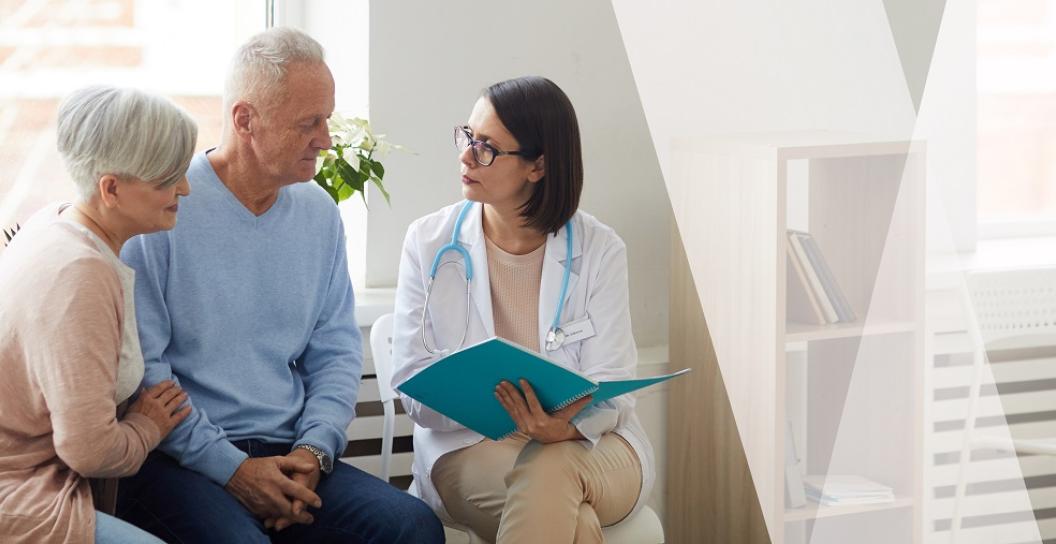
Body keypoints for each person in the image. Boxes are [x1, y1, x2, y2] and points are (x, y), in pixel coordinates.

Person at [115, 27, 443, 543]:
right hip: (181, 460)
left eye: (327, 120)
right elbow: (146, 373)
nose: (326, 140)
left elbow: (334, 352)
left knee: (411, 526)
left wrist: (313, 452)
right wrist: (232, 470)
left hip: (291, 450)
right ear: (245, 120)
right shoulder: (163, 209)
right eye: (308, 123)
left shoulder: (318, 215)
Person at [391, 75, 654, 543]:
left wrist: (562, 429)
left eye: (487, 147)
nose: (466, 156)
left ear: (537, 166)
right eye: (467, 137)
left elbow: (613, 387)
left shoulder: (600, 249)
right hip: (472, 447)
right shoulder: (428, 242)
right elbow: (414, 386)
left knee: (552, 471)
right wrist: (509, 412)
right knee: (574, 522)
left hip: (592, 446)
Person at [0, 85, 197, 543]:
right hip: (20, 492)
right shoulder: (81, 274)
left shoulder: (54, 219)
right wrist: (147, 426)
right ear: (111, 188)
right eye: (168, 178)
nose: (184, 188)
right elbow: (88, 451)